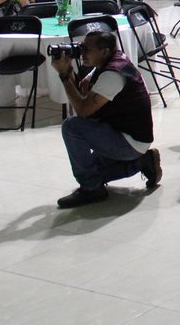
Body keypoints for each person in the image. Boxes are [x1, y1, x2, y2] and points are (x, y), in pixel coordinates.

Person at [50, 28, 160, 208]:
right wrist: (69, 70)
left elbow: (83, 111)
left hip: (128, 140)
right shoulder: (110, 62)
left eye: (86, 49)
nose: (81, 52)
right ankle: (141, 162)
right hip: (128, 134)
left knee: (72, 126)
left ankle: (91, 189)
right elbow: (84, 89)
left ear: (104, 51)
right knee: (92, 168)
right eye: (81, 47)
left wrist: (63, 76)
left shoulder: (112, 74)